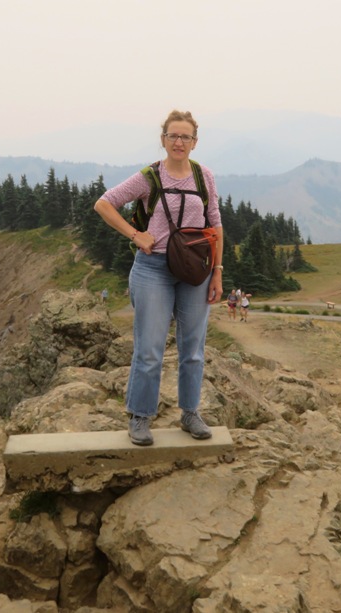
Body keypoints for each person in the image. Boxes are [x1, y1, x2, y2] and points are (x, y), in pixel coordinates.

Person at [94, 110, 223, 446]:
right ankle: (139, 417)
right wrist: (135, 235)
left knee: (192, 349)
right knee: (149, 349)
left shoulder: (204, 177)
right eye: (173, 136)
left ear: (195, 142)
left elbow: (216, 226)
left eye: (185, 137)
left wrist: (217, 273)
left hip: (196, 270)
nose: (179, 142)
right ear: (163, 139)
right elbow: (104, 204)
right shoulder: (149, 177)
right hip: (153, 269)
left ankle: (190, 413)